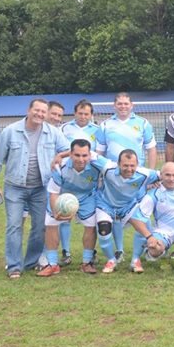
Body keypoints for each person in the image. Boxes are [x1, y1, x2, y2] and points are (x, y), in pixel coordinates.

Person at [0, 99, 70, 279]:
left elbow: (68, 150)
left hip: (41, 187)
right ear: (28, 110)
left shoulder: (53, 133)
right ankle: (14, 266)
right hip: (15, 187)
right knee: (14, 226)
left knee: (40, 226)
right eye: (37, 110)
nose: (40, 114)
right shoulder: (11, 131)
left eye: (43, 112)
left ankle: (31, 261)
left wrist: (59, 155)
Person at [95, 92, 157, 258]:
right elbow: (99, 152)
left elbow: (151, 149)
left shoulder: (143, 123)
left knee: (142, 213)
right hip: (113, 178)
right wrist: (100, 177)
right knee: (114, 214)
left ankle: (145, 249)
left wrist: (150, 175)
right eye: (119, 103)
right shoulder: (105, 125)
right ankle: (119, 250)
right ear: (114, 105)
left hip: (135, 177)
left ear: (132, 105)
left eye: (126, 103)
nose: (123, 106)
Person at [37, 139, 109, 276]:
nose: (81, 159)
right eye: (77, 155)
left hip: (86, 197)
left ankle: (87, 263)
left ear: (90, 155)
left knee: (91, 225)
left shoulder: (97, 164)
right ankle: (52, 264)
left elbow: (114, 168)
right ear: (70, 154)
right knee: (51, 224)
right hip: (63, 196)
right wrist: (56, 212)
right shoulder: (59, 167)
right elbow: (53, 193)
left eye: (84, 155)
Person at [94, 149, 161, 274]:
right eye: (125, 165)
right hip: (106, 205)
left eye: (132, 166)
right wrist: (61, 156)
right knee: (104, 231)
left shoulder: (144, 173)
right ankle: (111, 260)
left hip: (128, 206)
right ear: (118, 164)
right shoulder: (107, 167)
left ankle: (135, 260)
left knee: (144, 225)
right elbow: (88, 154)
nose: (129, 169)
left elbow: (167, 174)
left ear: (137, 165)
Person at [56, 99, 100, 265]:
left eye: (86, 114)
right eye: (80, 113)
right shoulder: (64, 128)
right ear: (75, 113)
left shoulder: (97, 130)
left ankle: (90, 254)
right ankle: (66, 252)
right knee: (64, 212)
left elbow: (100, 151)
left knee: (91, 219)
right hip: (68, 175)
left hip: (89, 177)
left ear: (91, 115)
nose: (83, 116)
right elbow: (59, 149)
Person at [129, 162, 174, 271]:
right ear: (161, 175)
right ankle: (159, 254)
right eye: (167, 175)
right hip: (163, 232)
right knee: (155, 249)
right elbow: (135, 219)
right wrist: (150, 237)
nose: (171, 179)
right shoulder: (153, 194)